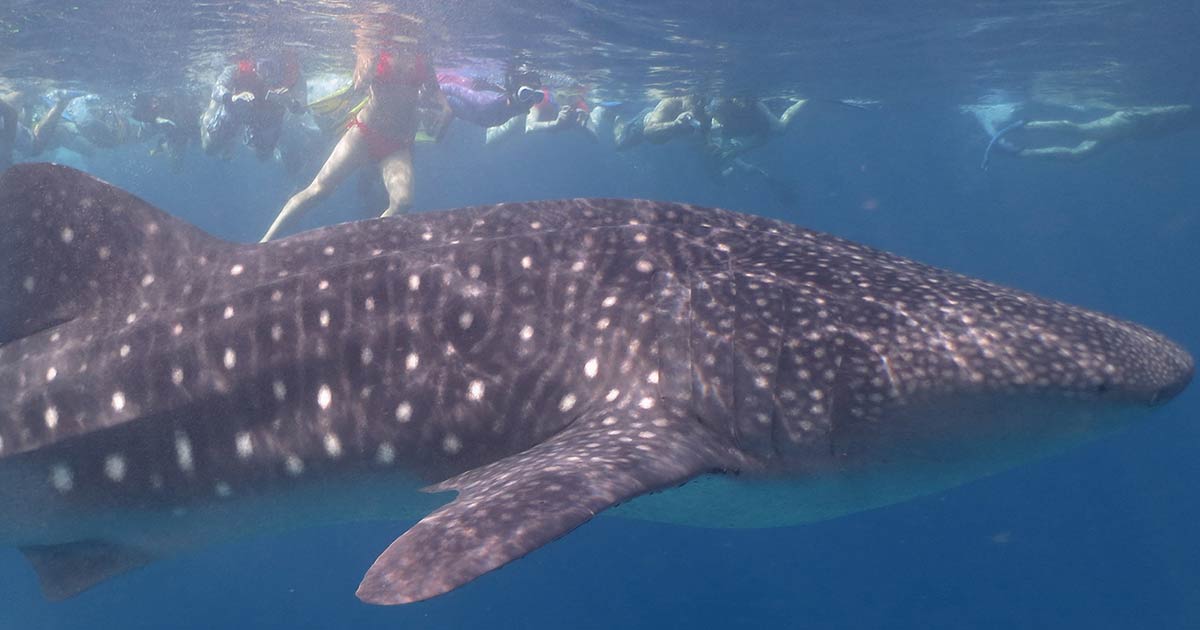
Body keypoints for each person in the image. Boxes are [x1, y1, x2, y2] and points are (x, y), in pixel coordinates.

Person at [260, 12, 452, 242]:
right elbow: (358, 83)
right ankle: (264, 242)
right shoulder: (373, 47)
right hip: (365, 133)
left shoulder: (422, 55)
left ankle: (368, 245)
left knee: (402, 202)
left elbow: (436, 92)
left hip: (398, 144)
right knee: (318, 190)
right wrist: (368, 67)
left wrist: (446, 112)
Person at [201, 54, 307, 160]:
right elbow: (217, 89)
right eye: (263, 67)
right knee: (210, 148)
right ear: (254, 64)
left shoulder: (293, 74)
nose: (267, 75)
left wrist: (289, 102)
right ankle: (207, 119)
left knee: (263, 156)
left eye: (272, 68)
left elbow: (302, 108)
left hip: (267, 116)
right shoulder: (237, 68)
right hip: (238, 109)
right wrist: (231, 98)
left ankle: (241, 137)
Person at [1006, 105, 1196, 162]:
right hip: (1129, 122)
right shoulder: (1189, 111)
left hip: (1129, 131)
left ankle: (1022, 153)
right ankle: (1028, 125)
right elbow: (1162, 113)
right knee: (1082, 132)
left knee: (1078, 155)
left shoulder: (1190, 118)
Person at [439, 65, 545, 129]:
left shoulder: (517, 107)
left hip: (470, 115)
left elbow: (509, 92)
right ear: (514, 95)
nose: (530, 101)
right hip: (443, 100)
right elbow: (450, 88)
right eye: (525, 93)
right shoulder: (487, 103)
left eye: (538, 96)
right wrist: (445, 107)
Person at [613, 94, 709, 150]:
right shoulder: (669, 103)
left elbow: (706, 130)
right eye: (694, 100)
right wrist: (675, 124)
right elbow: (648, 131)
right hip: (642, 125)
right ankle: (617, 118)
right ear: (687, 96)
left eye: (700, 101)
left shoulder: (699, 109)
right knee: (620, 145)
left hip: (661, 135)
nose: (697, 105)